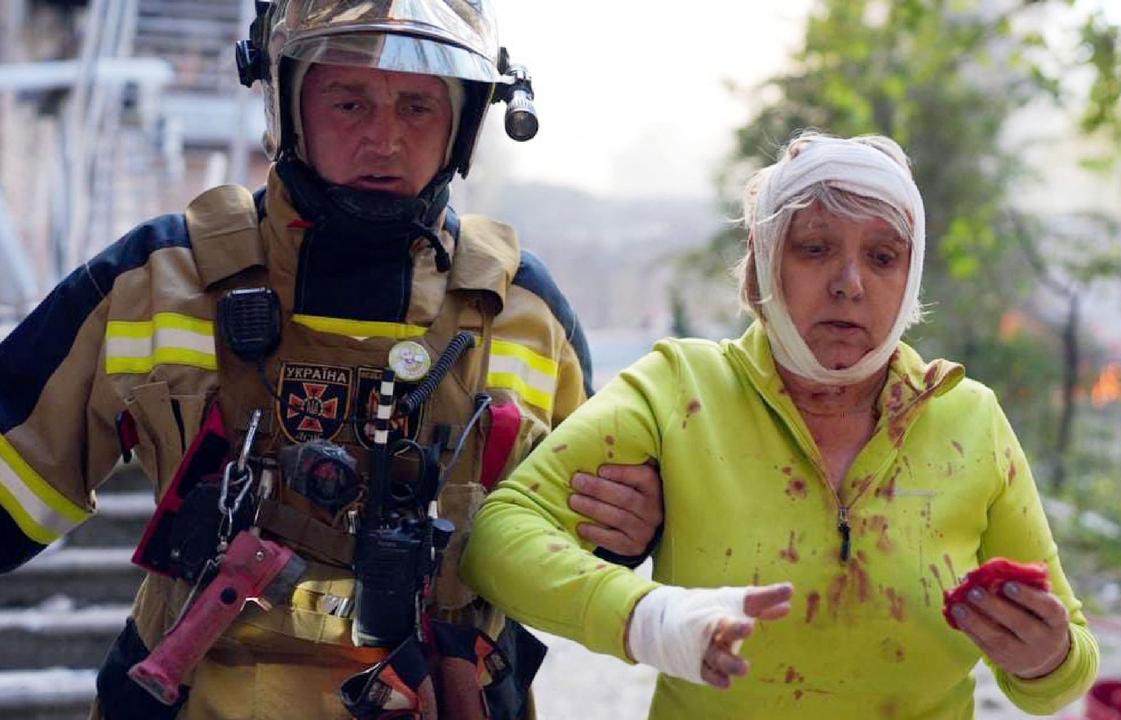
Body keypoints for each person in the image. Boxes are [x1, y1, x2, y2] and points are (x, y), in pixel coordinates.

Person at [0, 2, 663, 718]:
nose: (384, 138)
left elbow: (582, 551)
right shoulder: (156, 283)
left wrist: (628, 533)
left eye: (417, 105)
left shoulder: (525, 312)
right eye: (349, 102)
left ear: (466, 121)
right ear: (288, 106)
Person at [462, 132, 1101, 718]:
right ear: (763, 265)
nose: (849, 283)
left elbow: (1067, 667)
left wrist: (1044, 658)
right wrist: (649, 617)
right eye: (815, 248)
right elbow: (498, 538)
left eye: (883, 256)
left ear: (911, 278)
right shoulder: (678, 392)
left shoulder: (969, 417)